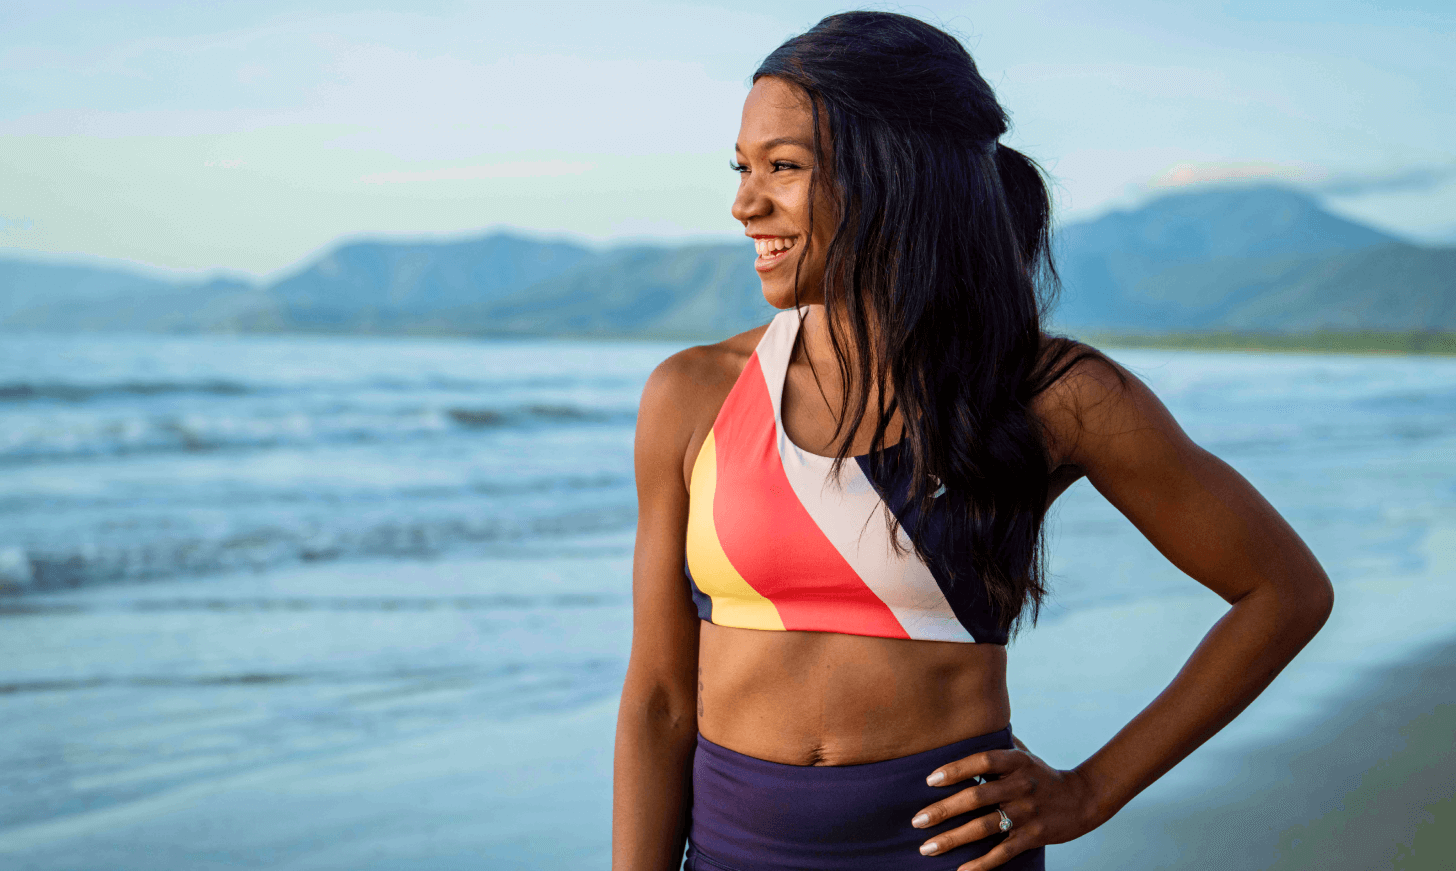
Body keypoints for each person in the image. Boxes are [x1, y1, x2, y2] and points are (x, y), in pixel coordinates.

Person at [612, 11, 1333, 871]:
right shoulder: (693, 395)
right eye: (742, 168)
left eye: (785, 168)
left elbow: (1282, 591)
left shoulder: (1053, 395)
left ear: (895, 175)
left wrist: (1091, 791)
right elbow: (659, 700)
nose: (745, 203)